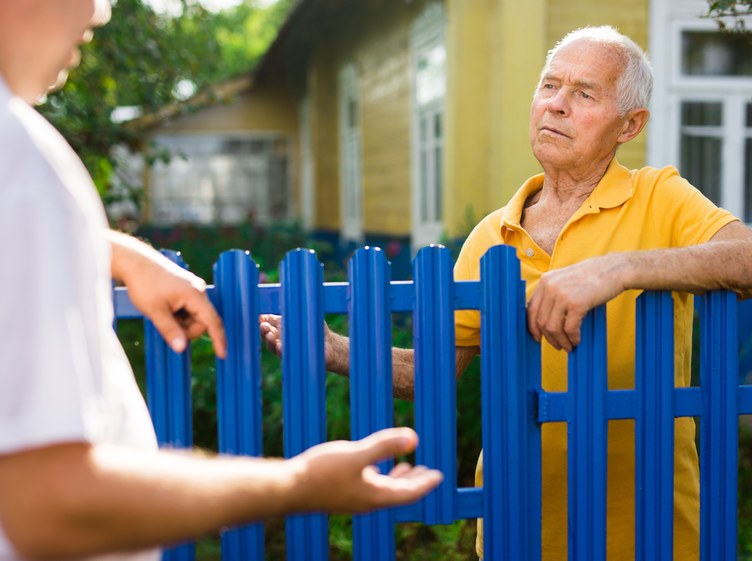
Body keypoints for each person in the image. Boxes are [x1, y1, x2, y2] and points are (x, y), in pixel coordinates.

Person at [261, 25, 752, 561]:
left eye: (584, 94)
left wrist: (621, 268)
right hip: (521, 523)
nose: (556, 105)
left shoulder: (660, 197)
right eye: (548, 86)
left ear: (630, 124)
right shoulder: (492, 234)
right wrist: (336, 349)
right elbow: (434, 371)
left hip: (647, 524)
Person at [0, 1, 442, 560]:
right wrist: (299, 485)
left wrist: (114, 251)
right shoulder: (17, 157)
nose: (102, 11)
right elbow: (48, 504)